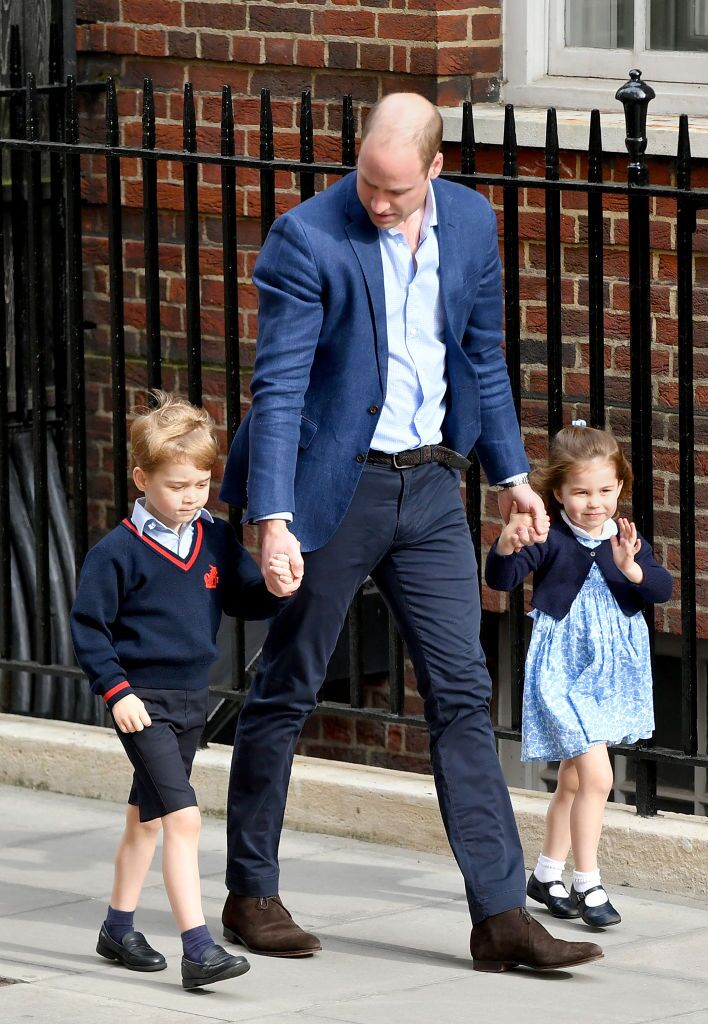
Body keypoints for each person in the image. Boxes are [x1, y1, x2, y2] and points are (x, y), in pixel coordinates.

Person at [219, 92, 604, 972]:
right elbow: (277, 391)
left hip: (431, 483)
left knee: (463, 696)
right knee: (287, 688)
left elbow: (482, 355)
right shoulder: (309, 237)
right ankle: (251, 893)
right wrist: (270, 521)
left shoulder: (470, 221)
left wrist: (511, 477)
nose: (377, 204)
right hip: (333, 489)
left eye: (395, 190)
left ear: (434, 168)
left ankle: (501, 916)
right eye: (367, 183)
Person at [70, 391, 289, 989]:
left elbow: (244, 598)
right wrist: (117, 692)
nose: (191, 497)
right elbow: (89, 629)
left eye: (201, 484)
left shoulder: (213, 538)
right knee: (183, 817)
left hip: (193, 699)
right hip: (142, 705)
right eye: (176, 486)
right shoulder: (115, 553)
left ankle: (117, 927)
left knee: (146, 818)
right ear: (141, 479)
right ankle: (199, 949)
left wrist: (274, 584)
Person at [485, 421, 672, 928]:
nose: (595, 503)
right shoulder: (551, 537)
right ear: (559, 492)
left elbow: (660, 590)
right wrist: (505, 545)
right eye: (582, 492)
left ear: (620, 488)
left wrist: (633, 569)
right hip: (565, 669)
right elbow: (501, 580)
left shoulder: (626, 539)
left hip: (611, 674)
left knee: (572, 779)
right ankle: (588, 883)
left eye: (606, 491)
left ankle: (546, 875)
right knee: (597, 776)